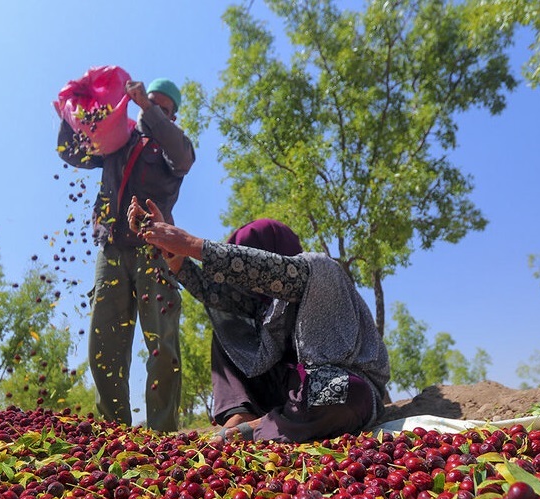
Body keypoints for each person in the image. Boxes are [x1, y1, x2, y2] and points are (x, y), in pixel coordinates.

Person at [127, 198, 390, 442]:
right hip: (285, 390)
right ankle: (242, 413)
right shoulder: (263, 304)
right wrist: (172, 252)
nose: (245, 287)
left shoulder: (318, 270)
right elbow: (215, 294)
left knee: (345, 392)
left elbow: (264, 271)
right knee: (229, 327)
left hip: (338, 385)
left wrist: (192, 244)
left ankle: (259, 427)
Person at [58, 78, 195, 432]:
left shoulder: (174, 146)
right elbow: (77, 152)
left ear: (172, 116)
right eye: (150, 103)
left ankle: (163, 435)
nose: (153, 111)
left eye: (163, 109)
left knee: (162, 345)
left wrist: (149, 112)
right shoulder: (120, 140)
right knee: (104, 343)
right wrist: (69, 114)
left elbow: (182, 159)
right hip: (113, 250)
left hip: (156, 251)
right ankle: (115, 434)